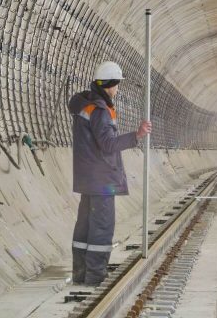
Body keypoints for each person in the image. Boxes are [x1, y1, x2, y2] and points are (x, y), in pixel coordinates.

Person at [68, 61, 152, 286]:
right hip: (102, 179)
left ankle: (80, 274)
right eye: (117, 85)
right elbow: (107, 144)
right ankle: (95, 276)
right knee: (102, 226)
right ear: (110, 84)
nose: (117, 89)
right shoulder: (100, 111)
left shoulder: (84, 105)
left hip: (88, 178)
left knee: (84, 225)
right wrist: (137, 135)